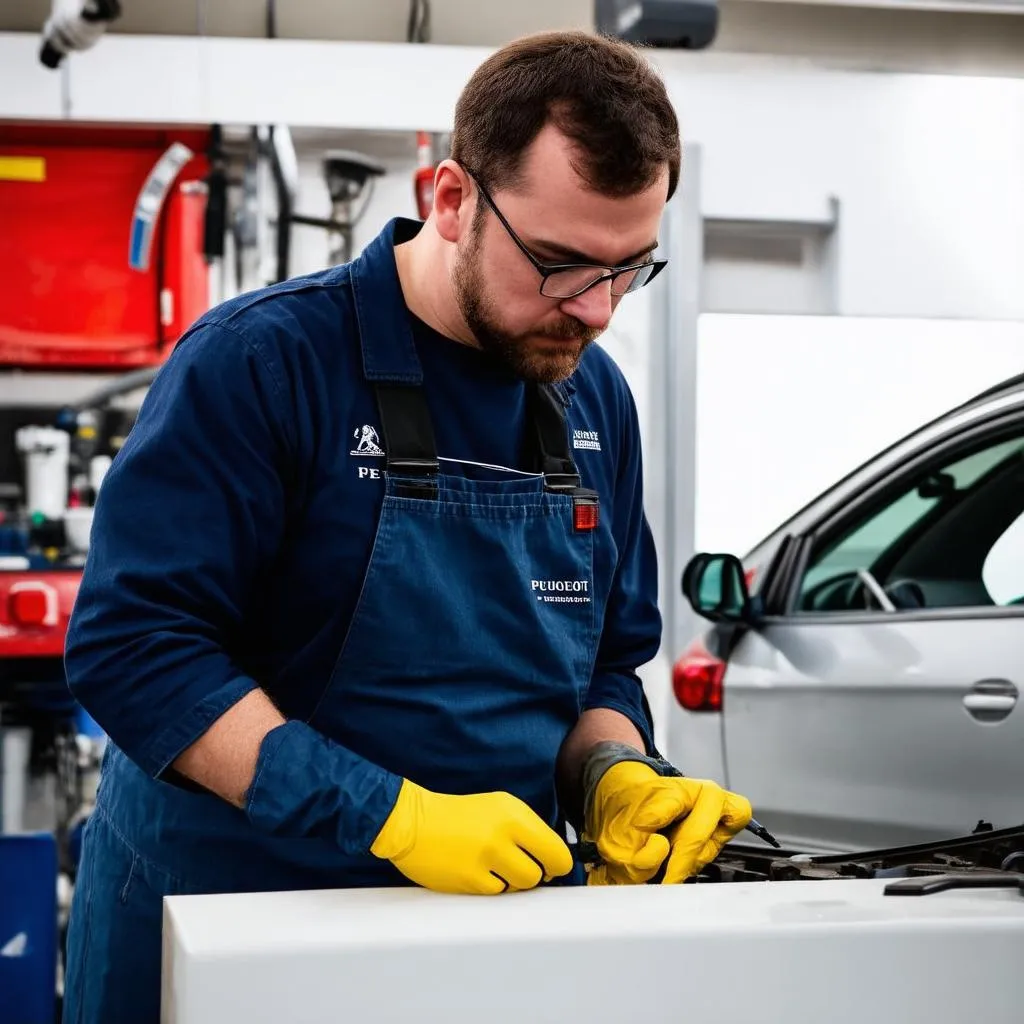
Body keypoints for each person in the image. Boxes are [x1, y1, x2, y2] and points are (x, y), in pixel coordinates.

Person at [61, 29, 753, 1022]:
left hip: (484, 938)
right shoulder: (261, 364)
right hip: (230, 924)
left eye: (627, 268)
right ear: (451, 199)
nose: (596, 311)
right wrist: (387, 813)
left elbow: (602, 665)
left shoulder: (593, 397)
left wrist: (612, 775)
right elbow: (138, 651)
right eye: (560, 265)